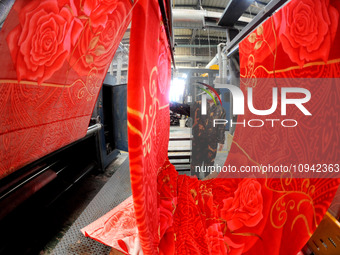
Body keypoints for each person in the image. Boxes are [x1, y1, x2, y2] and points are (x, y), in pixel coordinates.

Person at [190, 88, 226, 179]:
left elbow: (221, 127)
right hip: (198, 140)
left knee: (209, 164)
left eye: (212, 92)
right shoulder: (198, 104)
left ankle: (207, 184)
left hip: (211, 141)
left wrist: (221, 141)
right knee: (195, 163)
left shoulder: (220, 110)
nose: (210, 94)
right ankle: (193, 185)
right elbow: (189, 113)